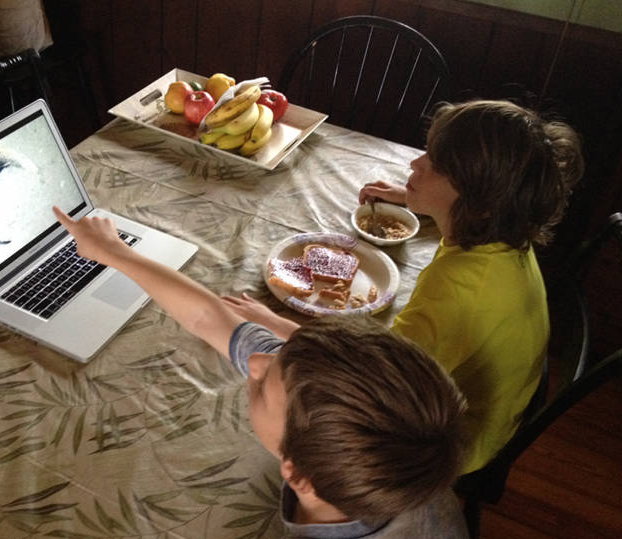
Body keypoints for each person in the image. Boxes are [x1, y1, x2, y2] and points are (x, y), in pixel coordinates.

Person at [52, 206, 473, 539]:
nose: (254, 365)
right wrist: (114, 252)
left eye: (261, 388)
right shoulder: (414, 468)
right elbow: (207, 317)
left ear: (297, 474)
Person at [222, 99, 585, 475]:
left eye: (436, 165)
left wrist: (274, 322)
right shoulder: (506, 234)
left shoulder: (460, 289)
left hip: (453, 443)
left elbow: (375, 376)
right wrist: (414, 197)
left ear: (479, 204)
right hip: (498, 407)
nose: (416, 164)